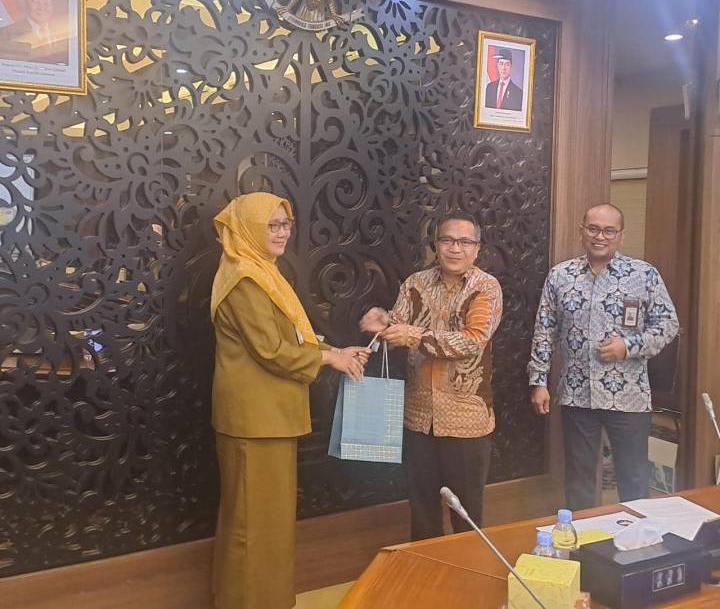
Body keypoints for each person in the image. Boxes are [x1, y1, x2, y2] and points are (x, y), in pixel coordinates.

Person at [210, 192, 369, 609]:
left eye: (285, 224)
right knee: (252, 526)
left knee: (267, 523)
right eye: (272, 225)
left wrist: (334, 350)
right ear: (249, 229)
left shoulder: (264, 273)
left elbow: (294, 337)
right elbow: (272, 350)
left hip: (269, 418)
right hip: (254, 420)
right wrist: (329, 358)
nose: (282, 233)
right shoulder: (245, 280)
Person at [360, 211, 503, 540]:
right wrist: (382, 324)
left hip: (466, 419)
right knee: (422, 509)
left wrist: (412, 335)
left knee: (466, 512)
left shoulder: (486, 287)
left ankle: (467, 569)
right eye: (447, 240)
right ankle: (427, 567)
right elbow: (398, 326)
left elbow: (472, 340)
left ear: (477, 249)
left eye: (464, 242)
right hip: (418, 416)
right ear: (435, 245)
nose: (455, 248)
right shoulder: (416, 283)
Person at [528, 203, 679, 510]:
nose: (600, 236)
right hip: (577, 394)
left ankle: (636, 537)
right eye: (594, 229)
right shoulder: (560, 276)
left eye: (609, 231)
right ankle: (585, 537)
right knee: (579, 480)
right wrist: (538, 380)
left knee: (634, 478)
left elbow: (668, 324)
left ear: (621, 235)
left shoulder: (643, 274)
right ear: (581, 231)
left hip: (629, 396)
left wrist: (628, 345)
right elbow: (544, 330)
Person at [0, 0, 69, 64]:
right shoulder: (8, 33)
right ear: (26, 3)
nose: (41, 8)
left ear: (52, 7)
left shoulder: (64, 36)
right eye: (36, 2)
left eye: (46, 3)